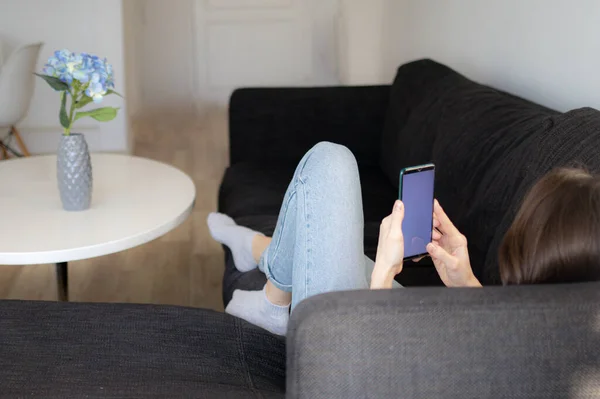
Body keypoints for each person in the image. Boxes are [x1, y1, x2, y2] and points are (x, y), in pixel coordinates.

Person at [208, 142, 600, 335]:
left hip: (355, 347)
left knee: (329, 163)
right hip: (413, 332)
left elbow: (357, 373)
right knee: (328, 231)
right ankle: (258, 253)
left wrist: (381, 280)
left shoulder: (513, 370)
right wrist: (466, 282)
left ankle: (271, 290)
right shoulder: (561, 337)